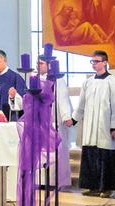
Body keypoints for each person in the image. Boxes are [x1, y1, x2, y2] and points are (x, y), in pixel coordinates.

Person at [73, 50, 115, 197]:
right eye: (92, 61)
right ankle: (93, 186)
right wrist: (74, 118)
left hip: (105, 126)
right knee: (90, 154)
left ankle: (107, 187)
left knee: (106, 156)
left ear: (105, 62)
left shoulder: (113, 83)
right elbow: (81, 104)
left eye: (96, 61)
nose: (94, 64)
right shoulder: (88, 82)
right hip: (90, 126)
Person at [39, 58, 73, 189]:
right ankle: (43, 181)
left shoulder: (58, 80)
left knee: (57, 152)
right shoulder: (38, 80)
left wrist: (66, 116)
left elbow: (62, 98)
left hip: (55, 121)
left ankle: (57, 181)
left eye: (41, 63)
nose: (38, 66)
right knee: (43, 153)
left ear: (49, 65)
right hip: (42, 120)